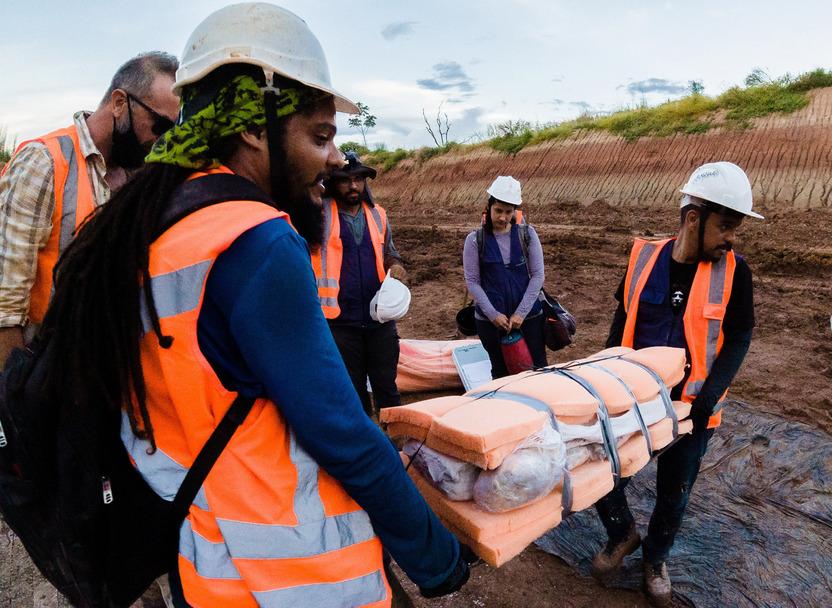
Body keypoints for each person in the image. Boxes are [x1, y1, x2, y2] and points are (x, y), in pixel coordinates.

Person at [41, 4, 469, 606]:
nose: (333, 158)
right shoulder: (253, 239)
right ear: (252, 128)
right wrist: (436, 555)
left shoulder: (155, 225)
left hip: (202, 557)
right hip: (293, 576)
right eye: (320, 135)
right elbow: (342, 431)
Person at [592, 162, 758, 607]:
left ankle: (656, 560)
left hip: (691, 410)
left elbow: (740, 335)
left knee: (675, 492)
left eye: (735, 228)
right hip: (633, 402)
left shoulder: (735, 273)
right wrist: (602, 376)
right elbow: (622, 317)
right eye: (725, 226)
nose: (731, 238)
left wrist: (710, 395)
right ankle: (623, 533)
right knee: (602, 474)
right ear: (693, 218)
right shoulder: (644, 258)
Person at [0, 51, 179, 361]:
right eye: (159, 124)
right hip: (40, 372)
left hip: (96, 375)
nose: (161, 139)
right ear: (120, 102)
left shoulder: (141, 176)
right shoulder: (44, 162)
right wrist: (15, 395)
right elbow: (5, 304)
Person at [314, 151, 407, 418]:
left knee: (387, 389)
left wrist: (396, 266)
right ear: (333, 182)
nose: (353, 186)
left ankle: (396, 449)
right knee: (353, 394)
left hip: (379, 320)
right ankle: (366, 449)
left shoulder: (378, 215)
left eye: (358, 179)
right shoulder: (319, 214)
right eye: (345, 180)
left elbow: (390, 252)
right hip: (338, 322)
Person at [462, 175, 547, 378]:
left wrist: (521, 313)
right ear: (489, 207)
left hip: (529, 319)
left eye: (508, 212)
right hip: (490, 323)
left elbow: (537, 276)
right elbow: (472, 282)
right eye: (498, 211)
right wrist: (493, 315)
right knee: (500, 373)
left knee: (538, 370)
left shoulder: (527, 234)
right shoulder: (475, 240)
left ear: (515, 212)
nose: (502, 217)